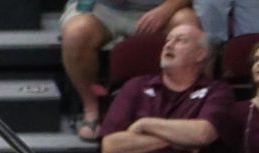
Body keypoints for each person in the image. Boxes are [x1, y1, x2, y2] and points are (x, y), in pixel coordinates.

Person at [98, 18, 233, 153]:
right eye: (169, 40)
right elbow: (110, 146)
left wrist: (145, 124)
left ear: (200, 54)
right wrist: (179, 139)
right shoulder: (136, 87)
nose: (169, 44)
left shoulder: (217, 92)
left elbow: (202, 134)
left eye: (181, 40)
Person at [64, 0, 197, 143]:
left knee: (188, 25)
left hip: (163, 7)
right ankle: (91, 108)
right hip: (103, 8)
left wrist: (166, 9)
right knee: (76, 34)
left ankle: (186, 106)